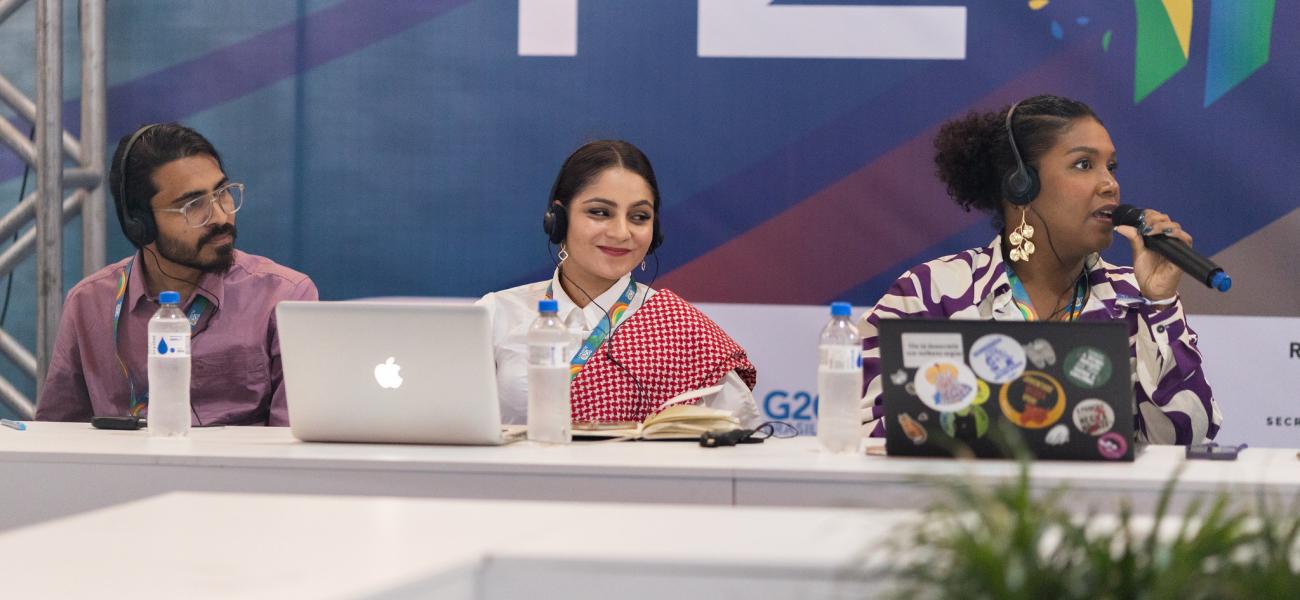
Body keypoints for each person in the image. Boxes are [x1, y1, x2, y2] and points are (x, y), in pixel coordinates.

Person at [859, 95, 1220, 445]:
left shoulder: (1132, 299)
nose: (1110, 184)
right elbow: (866, 432)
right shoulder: (930, 293)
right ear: (1021, 185)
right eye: (1084, 164)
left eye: (1111, 167)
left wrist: (1161, 304)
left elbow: (1186, 440)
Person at [37, 123, 317, 426]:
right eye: (194, 205)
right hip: (130, 474)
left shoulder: (283, 296)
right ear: (139, 223)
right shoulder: (89, 303)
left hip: (242, 473)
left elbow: (293, 445)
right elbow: (58, 433)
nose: (221, 216)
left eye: (223, 193)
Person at [478, 140, 760, 426]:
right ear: (558, 220)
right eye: (600, 212)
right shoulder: (495, 314)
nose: (621, 232)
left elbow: (738, 439)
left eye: (639, 217)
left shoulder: (684, 330)